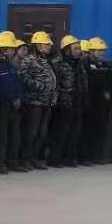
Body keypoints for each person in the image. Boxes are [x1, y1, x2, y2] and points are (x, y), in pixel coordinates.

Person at [18, 32, 57, 169]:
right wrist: (40, 86)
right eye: (46, 44)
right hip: (34, 102)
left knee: (42, 132)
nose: (49, 47)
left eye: (49, 44)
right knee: (31, 132)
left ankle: (35, 158)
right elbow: (23, 77)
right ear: (38, 45)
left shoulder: (47, 60)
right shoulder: (29, 60)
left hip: (47, 102)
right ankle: (25, 159)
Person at [0, 31, 23, 173]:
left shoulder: (9, 64)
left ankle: (11, 161)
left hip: (12, 104)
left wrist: (17, 97)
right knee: (1, 135)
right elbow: (1, 86)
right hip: (2, 104)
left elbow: (15, 82)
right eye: (11, 49)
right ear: (3, 49)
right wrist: (13, 98)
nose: (13, 51)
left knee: (14, 134)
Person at [49, 35, 84, 167]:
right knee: (60, 132)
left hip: (77, 101)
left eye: (79, 48)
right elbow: (55, 83)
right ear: (67, 50)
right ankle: (55, 159)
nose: (79, 51)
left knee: (74, 132)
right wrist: (57, 100)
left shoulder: (79, 63)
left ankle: (69, 158)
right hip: (63, 103)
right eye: (76, 48)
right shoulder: (57, 63)